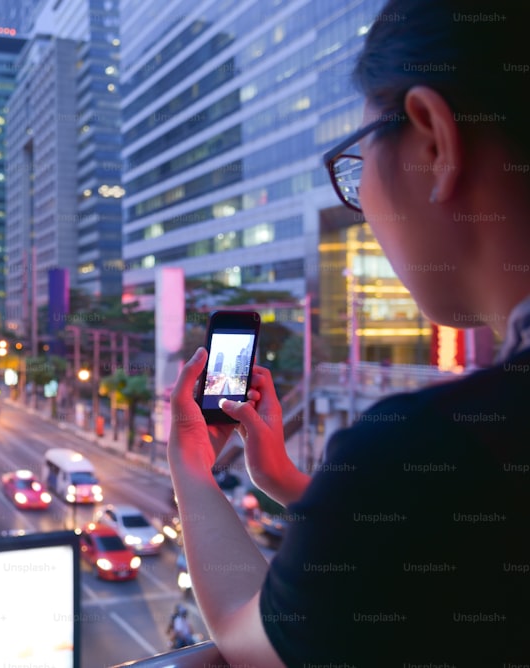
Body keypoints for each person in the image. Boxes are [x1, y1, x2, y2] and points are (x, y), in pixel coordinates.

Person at [167, 1, 530, 666]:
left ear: (433, 141)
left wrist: (191, 468)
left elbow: (246, 635)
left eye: (357, 168)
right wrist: (304, 490)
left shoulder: (434, 446)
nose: (361, 210)